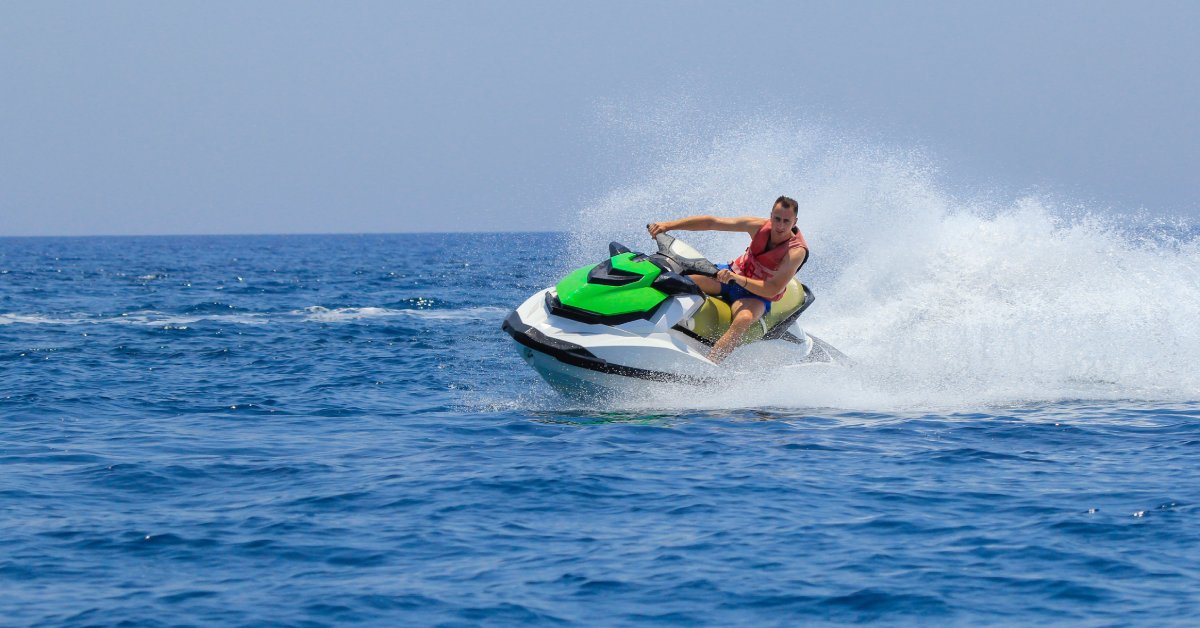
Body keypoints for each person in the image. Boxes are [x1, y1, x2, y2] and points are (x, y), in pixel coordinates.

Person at [647, 196, 809, 363]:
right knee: (676, 281)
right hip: (729, 276)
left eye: (786, 221)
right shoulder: (758, 226)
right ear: (771, 216)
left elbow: (772, 289)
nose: (780, 226)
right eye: (777, 219)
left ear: (795, 221)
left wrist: (738, 279)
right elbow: (712, 222)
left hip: (755, 295)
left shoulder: (796, 252)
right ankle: (643, 325)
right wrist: (668, 226)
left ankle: (710, 366)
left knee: (743, 319)